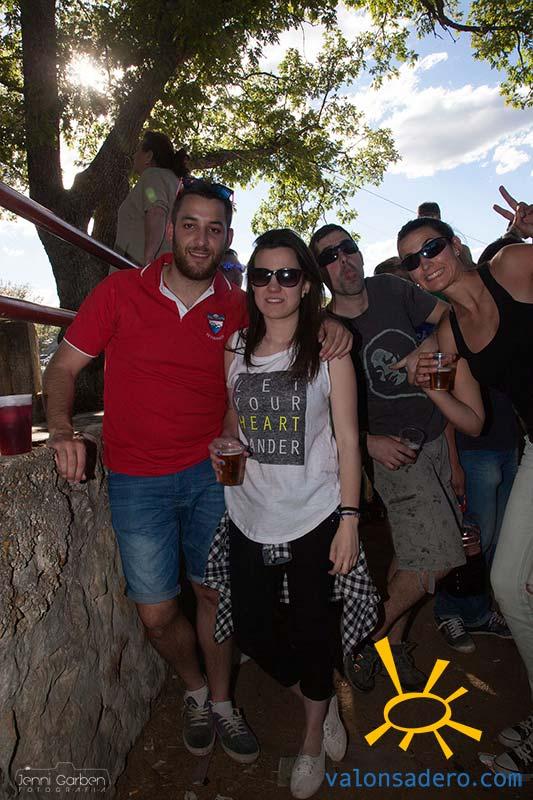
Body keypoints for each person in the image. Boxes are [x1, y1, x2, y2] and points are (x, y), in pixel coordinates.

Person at [43, 180, 351, 768]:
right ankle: (194, 690)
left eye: (215, 229)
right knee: (157, 615)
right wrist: (61, 429)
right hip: (137, 480)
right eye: (190, 225)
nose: (201, 239)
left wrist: (332, 326)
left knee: (215, 595)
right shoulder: (119, 291)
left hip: (213, 476)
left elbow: (288, 320)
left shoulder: (237, 302)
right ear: (170, 230)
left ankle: (224, 701)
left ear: (227, 238)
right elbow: (62, 368)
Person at [209, 228, 365, 799]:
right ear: (250, 284)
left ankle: (311, 737)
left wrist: (350, 519)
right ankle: (320, 702)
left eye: (287, 274)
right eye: (261, 275)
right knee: (253, 631)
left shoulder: (328, 350)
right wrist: (225, 442)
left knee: (313, 630)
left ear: (305, 285)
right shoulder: (234, 346)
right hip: (249, 510)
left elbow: (349, 440)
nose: (273, 286)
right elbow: (232, 417)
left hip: (316, 512)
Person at [309, 224, 484, 693]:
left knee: (413, 554)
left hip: (435, 434)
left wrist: (423, 350)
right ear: (320, 272)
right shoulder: (326, 329)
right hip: (394, 455)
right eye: (329, 256)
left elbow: (452, 317)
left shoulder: (392, 289)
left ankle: (391, 647)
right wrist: (368, 443)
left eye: (348, 248)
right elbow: (319, 413)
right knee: (440, 557)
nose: (343, 260)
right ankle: (365, 636)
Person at [397, 188, 533, 779]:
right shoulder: (452, 334)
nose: (424, 262)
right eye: (411, 260)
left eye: (431, 247)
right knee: (507, 584)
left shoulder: (512, 267)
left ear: (455, 245)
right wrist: (431, 388)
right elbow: (474, 420)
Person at [114, 130, 189, 268]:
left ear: (148, 156)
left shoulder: (151, 176)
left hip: (135, 268)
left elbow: (156, 211)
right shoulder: (177, 184)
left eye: (138, 150)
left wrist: (148, 260)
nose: (134, 155)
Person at [417, 201, 474, 268]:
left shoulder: (460, 249)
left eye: (431, 216)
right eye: (423, 217)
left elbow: (470, 270)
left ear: (438, 218)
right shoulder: (414, 250)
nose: (427, 221)